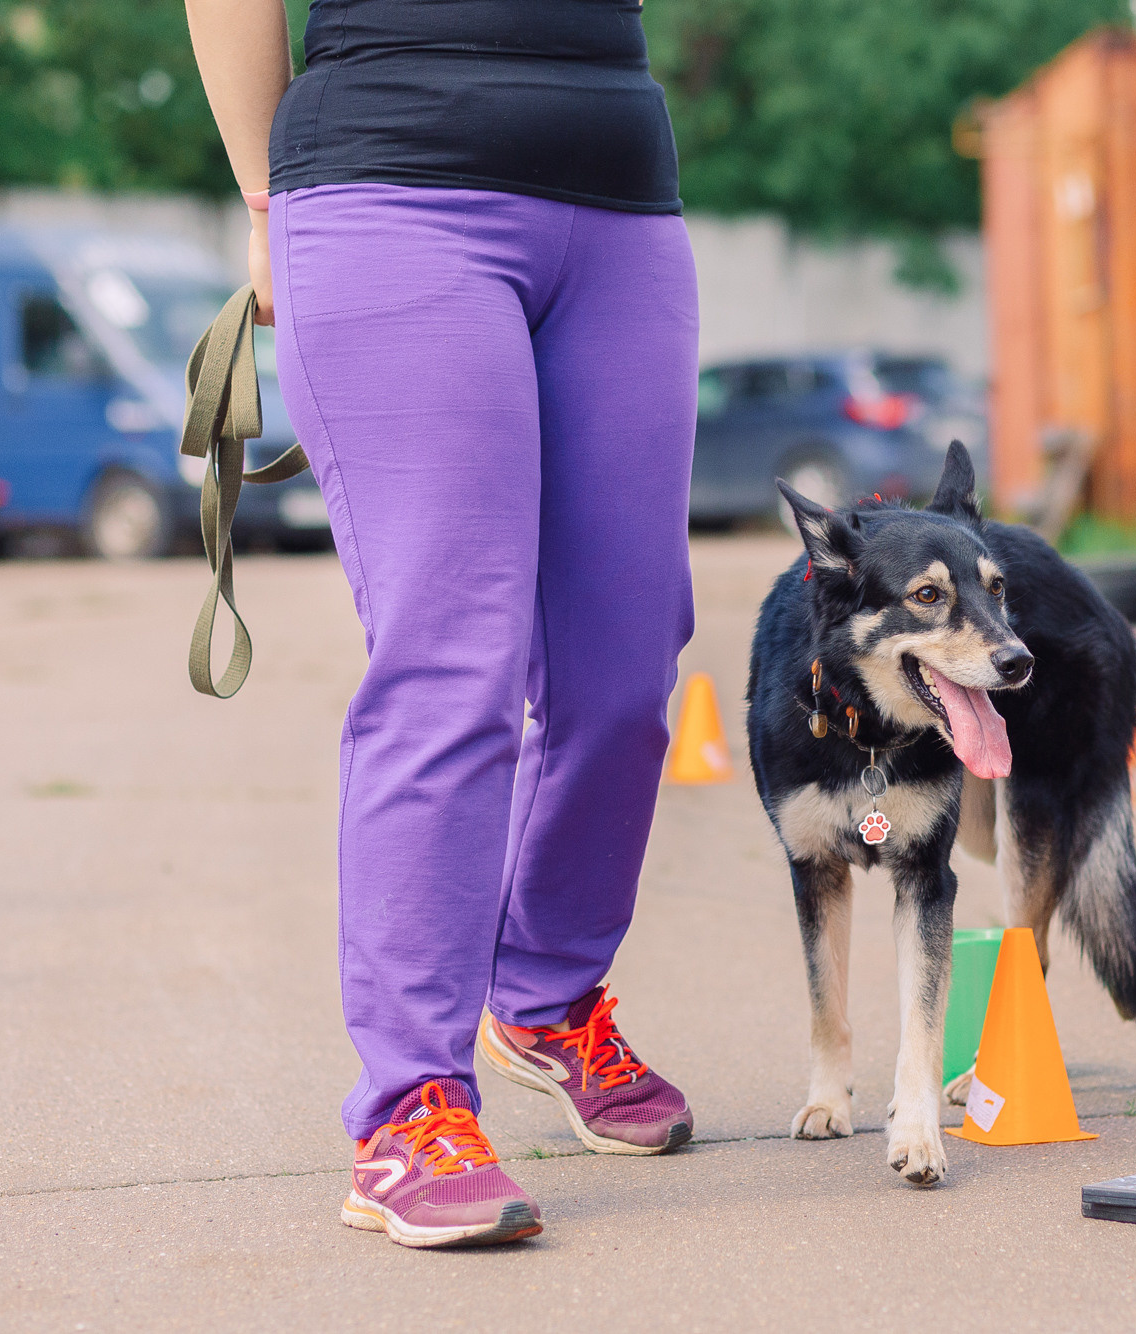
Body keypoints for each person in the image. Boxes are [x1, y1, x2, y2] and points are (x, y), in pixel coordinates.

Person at [185, 0, 699, 1248]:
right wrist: (263, 200)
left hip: (618, 192)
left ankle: (545, 993)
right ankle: (409, 1108)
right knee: (450, 666)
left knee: (624, 671)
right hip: (390, 184)